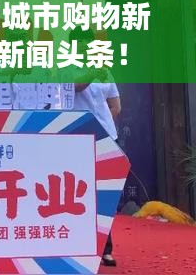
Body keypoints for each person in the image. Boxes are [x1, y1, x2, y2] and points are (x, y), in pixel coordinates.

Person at [70, 26, 121, 267]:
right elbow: (76, 86)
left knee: (103, 194)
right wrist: (92, 71)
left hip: (106, 138)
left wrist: (103, 125)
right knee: (78, 193)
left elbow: (116, 105)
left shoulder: (105, 70)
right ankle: (78, 246)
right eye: (78, 41)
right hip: (78, 138)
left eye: (86, 41)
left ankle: (105, 249)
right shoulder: (67, 68)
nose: (83, 44)